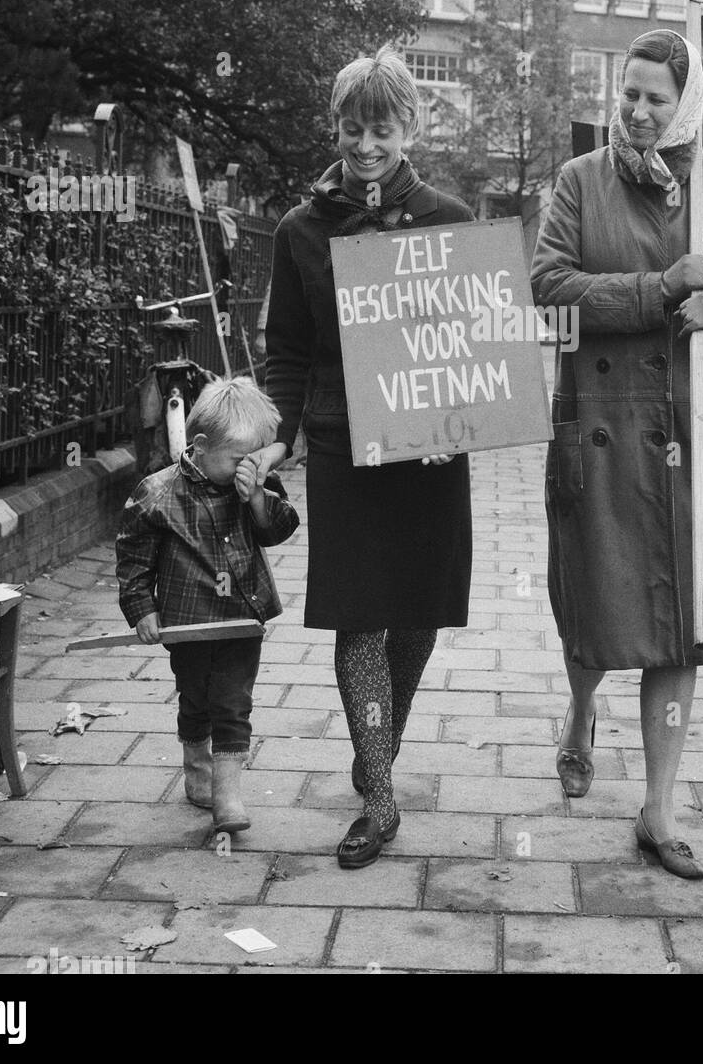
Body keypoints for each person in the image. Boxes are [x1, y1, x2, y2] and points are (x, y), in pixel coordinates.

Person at [531, 28, 703, 880]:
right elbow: (547, 294)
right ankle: (578, 707)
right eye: (628, 94)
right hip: (602, 428)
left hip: (697, 430)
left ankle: (658, 809)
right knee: (596, 613)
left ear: (685, 106)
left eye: (656, 98)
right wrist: (659, 290)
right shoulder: (577, 183)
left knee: (681, 631)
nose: (637, 110)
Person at [251, 49, 475, 870]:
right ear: (335, 127)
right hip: (345, 443)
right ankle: (379, 798)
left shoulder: (451, 218)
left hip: (431, 445)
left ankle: (375, 743)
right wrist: (279, 434)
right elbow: (288, 348)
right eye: (353, 128)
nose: (367, 145)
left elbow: (480, 334)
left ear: (409, 127)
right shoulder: (300, 230)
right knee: (360, 613)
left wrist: (475, 413)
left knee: (417, 611)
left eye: (382, 129)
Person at [116, 376, 300, 835]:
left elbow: (277, 531)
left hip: (242, 617)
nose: (249, 467)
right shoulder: (157, 493)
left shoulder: (256, 484)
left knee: (234, 702)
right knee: (196, 698)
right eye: (240, 459)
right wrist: (142, 608)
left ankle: (228, 796)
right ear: (199, 445)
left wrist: (257, 497)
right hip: (189, 623)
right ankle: (198, 771)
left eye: (256, 457)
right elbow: (134, 556)